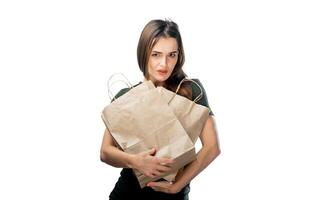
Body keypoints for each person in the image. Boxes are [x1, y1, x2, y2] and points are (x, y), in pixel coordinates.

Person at [100, 19, 221, 200]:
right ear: (144, 54)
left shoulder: (191, 90)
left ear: (179, 56)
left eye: (171, 55)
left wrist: (177, 186)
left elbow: (212, 147)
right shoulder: (126, 96)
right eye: (156, 54)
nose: (164, 64)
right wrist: (136, 162)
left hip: (174, 194)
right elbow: (105, 152)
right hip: (128, 193)